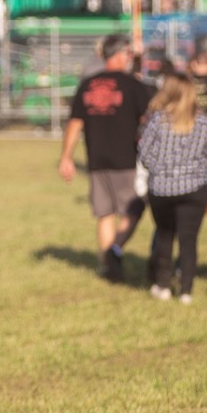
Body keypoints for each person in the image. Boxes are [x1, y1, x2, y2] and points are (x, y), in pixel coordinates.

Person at [58, 35, 154, 283]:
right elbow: (149, 119)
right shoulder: (132, 85)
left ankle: (108, 265)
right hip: (125, 160)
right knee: (135, 209)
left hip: (96, 158)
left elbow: (75, 123)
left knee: (105, 214)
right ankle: (115, 249)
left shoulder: (88, 84)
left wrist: (66, 157)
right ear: (121, 54)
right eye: (129, 53)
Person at [136, 71, 207, 304]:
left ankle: (162, 285)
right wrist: (193, 165)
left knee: (165, 237)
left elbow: (144, 155)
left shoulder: (157, 121)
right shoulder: (203, 122)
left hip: (162, 189)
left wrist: (162, 168)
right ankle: (186, 290)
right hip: (194, 188)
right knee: (189, 240)